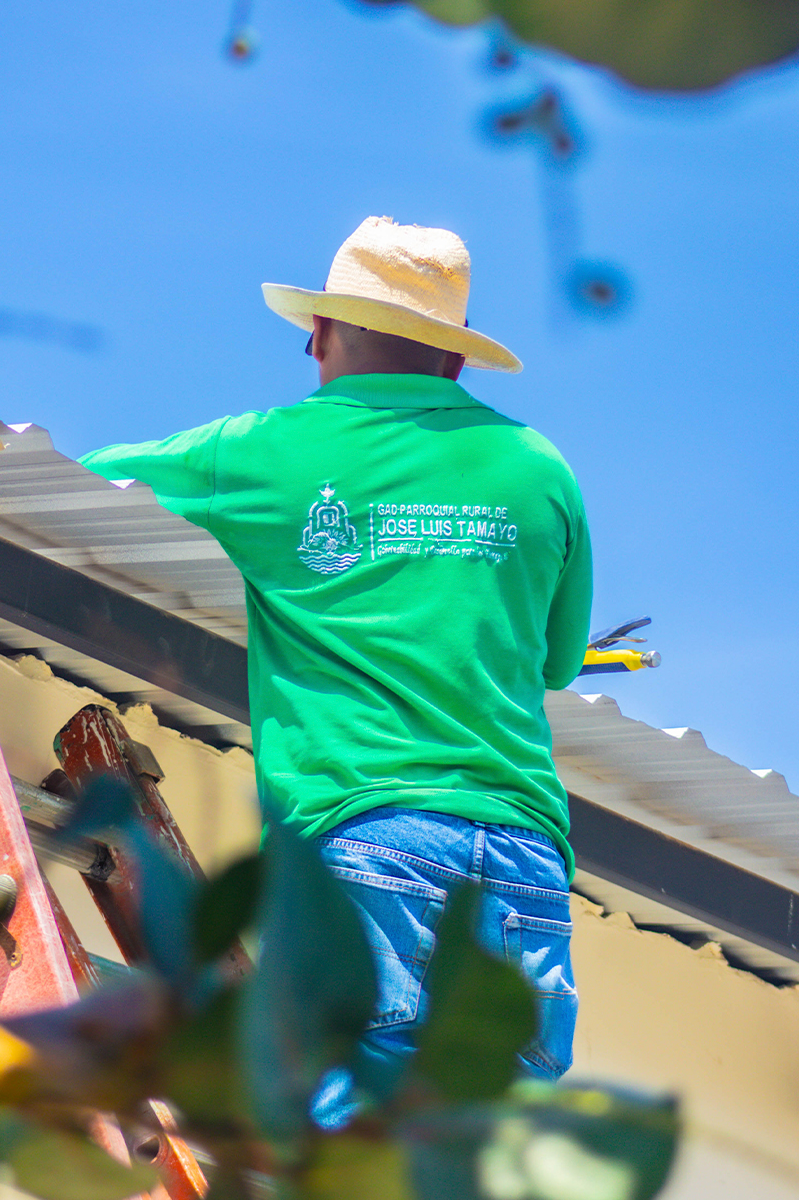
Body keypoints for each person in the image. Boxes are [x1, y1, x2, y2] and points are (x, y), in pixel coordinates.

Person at [79, 216, 593, 1115]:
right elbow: (556, 663)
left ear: (319, 333)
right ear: (457, 359)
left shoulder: (264, 450)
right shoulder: (537, 468)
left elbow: (85, 482)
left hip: (368, 836)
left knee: (346, 1141)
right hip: (523, 858)